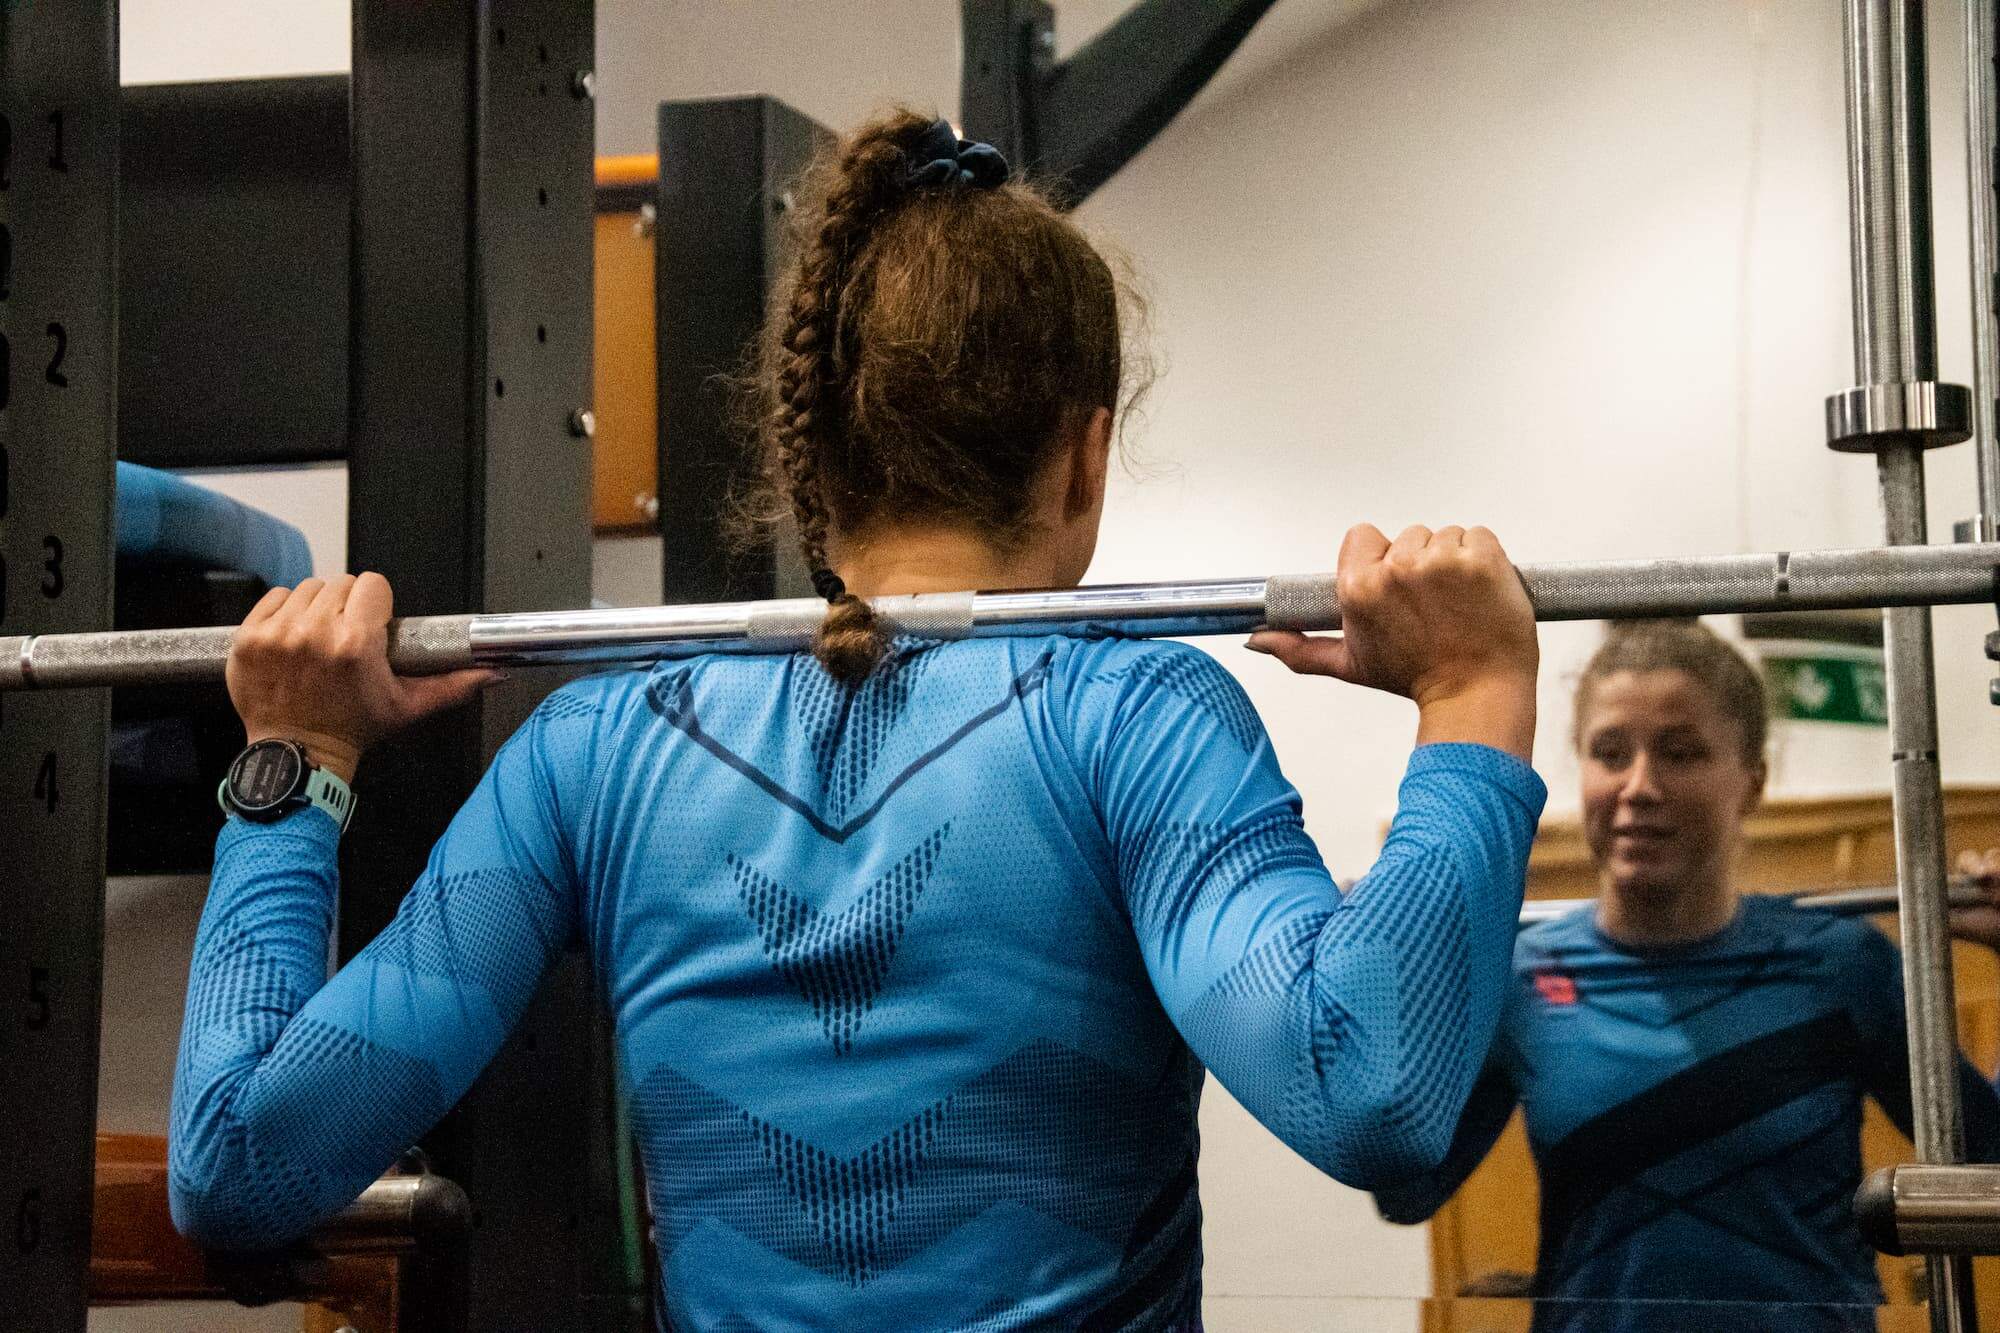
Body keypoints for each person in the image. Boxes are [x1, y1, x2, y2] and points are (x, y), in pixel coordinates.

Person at [168, 112, 1546, 1331]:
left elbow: (236, 1164)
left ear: (808, 451)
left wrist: (297, 766)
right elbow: (1374, 1089)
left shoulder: (598, 751)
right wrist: (1472, 702)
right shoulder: (1134, 718)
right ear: (1085, 448)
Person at [1374, 618, 2000, 1327]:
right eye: (1610, 753)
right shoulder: (1521, 977)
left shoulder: (1840, 964)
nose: (1640, 785)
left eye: (1680, 752)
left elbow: (1990, 1157)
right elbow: (1406, 1191)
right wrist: (1407, 974)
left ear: (1751, 781)